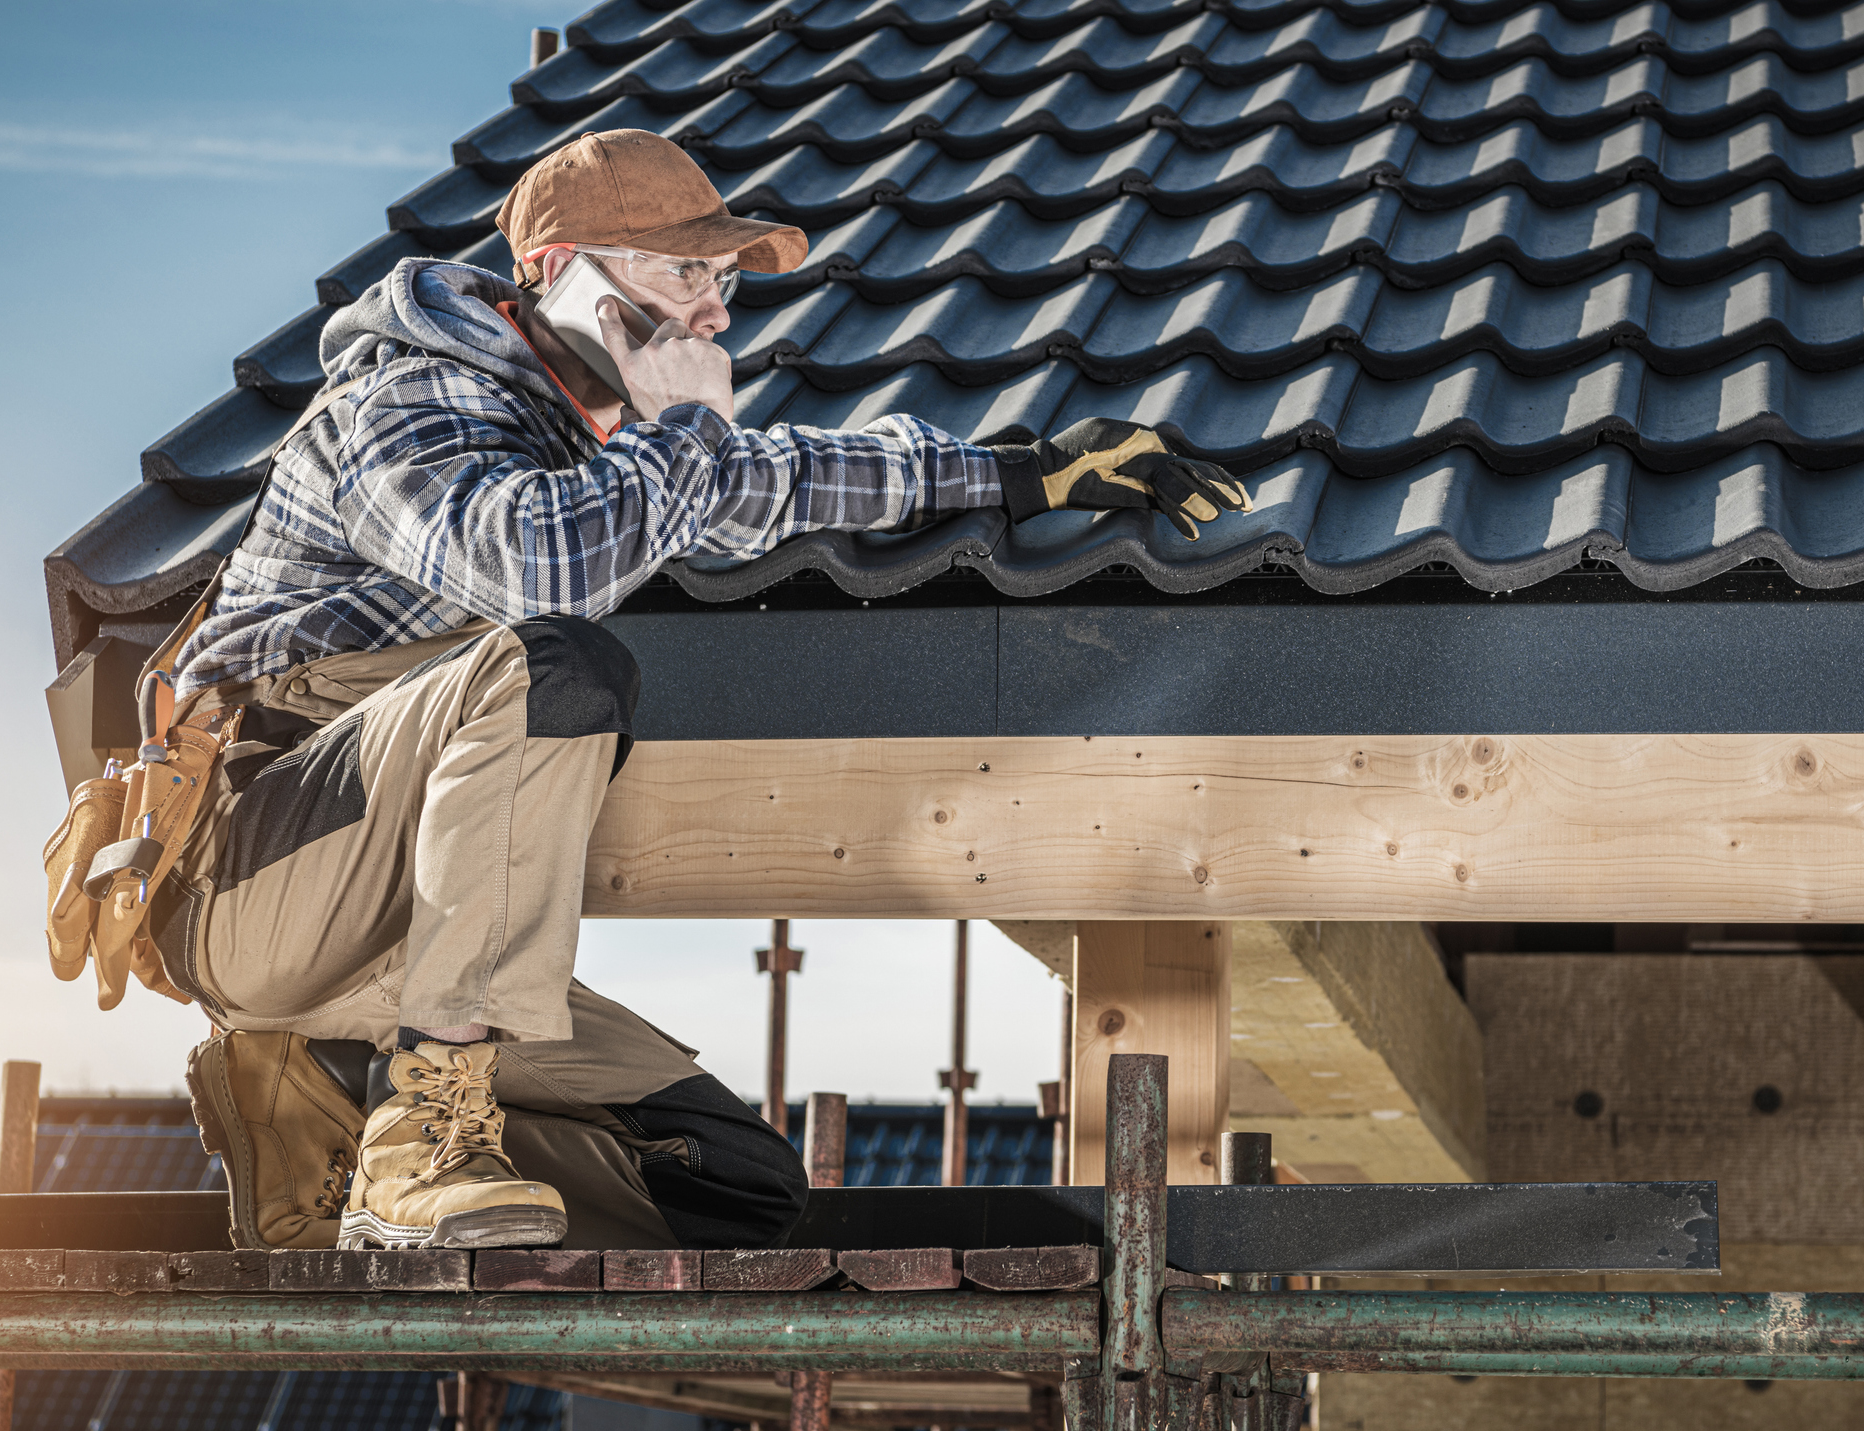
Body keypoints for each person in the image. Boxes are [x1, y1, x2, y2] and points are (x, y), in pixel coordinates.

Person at [158, 129, 1251, 1252]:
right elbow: (535, 571)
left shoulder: (601, 440)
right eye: (684, 274)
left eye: (721, 282)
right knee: (559, 665)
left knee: (734, 1193)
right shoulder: (402, 402)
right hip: (265, 876)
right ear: (556, 270)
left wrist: (1027, 472)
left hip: (404, 959)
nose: (715, 315)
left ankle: (330, 1104)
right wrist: (684, 430)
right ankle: (421, 1138)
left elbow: (787, 474)